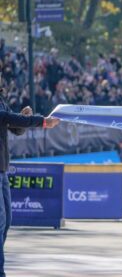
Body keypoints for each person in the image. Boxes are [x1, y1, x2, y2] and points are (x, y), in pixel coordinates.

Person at [0, 107, 60, 277]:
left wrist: (23, 118)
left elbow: (15, 128)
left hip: (3, 169)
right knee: (0, 222)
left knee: (7, 221)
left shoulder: (1, 98)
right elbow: (6, 117)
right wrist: (42, 121)